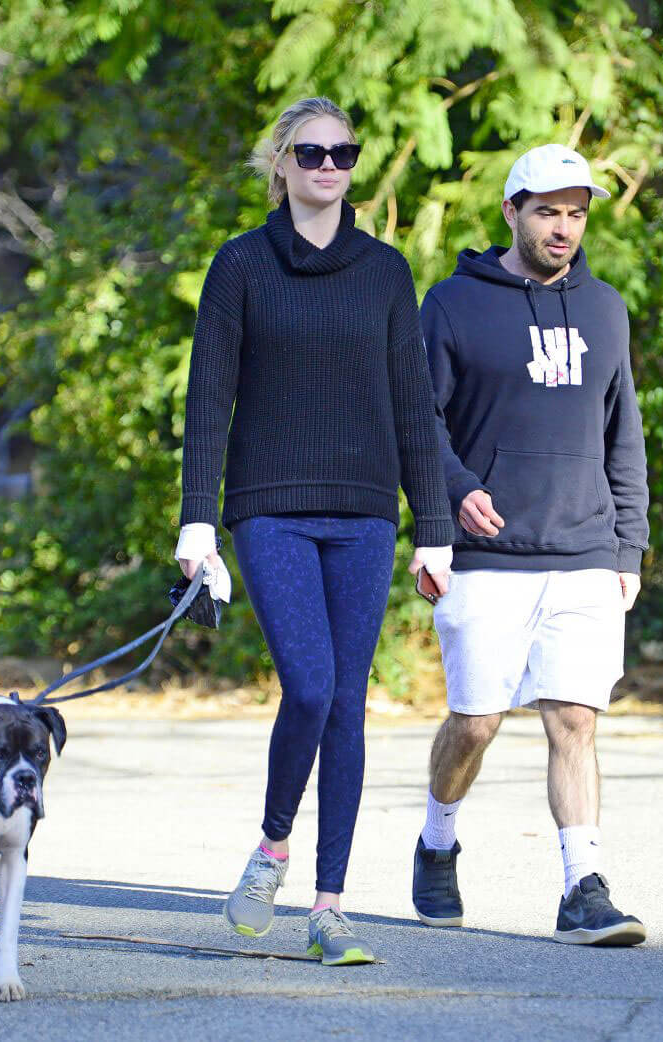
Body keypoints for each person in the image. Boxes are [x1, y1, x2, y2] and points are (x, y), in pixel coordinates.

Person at [176, 96, 456, 966]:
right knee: (309, 687)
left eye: (342, 152)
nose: (328, 166)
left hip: (367, 513)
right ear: (283, 165)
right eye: (311, 152)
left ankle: (329, 907)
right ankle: (271, 849)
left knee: (348, 705)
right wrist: (196, 522)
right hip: (270, 507)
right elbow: (207, 399)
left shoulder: (385, 272)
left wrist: (435, 528)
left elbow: (414, 405)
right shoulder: (240, 266)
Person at [410, 143, 650, 946]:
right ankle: (438, 836)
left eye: (577, 213)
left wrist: (629, 545)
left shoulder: (608, 308)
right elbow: (415, 424)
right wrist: (450, 495)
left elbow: (624, 434)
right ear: (511, 211)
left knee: (574, 720)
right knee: (476, 723)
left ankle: (584, 886)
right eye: (547, 210)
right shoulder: (450, 305)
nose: (564, 227)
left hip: (583, 549)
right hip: (486, 556)